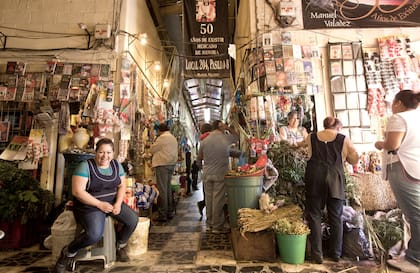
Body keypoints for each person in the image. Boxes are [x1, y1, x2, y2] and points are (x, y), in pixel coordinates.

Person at [55, 138, 138, 273]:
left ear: (113, 153)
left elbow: (122, 185)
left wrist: (117, 203)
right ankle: (68, 252)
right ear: (95, 152)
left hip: (111, 202)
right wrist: (99, 204)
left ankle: (119, 245)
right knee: (94, 234)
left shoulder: (117, 165)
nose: (105, 156)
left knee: (132, 220)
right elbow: (77, 192)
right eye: (101, 152)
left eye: (108, 152)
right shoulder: (85, 166)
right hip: (89, 205)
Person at [374, 90, 420, 273]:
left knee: (414, 215)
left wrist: (380, 144)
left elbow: (393, 145)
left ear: (400, 103)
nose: (392, 106)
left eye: (393, 102)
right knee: (414, 213)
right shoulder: (417, 117)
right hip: (415, 167)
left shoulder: (399, 118)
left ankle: (415, 258)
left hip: (402, 168)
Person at [303, 117, 359, 264]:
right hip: (335, 178)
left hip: (314, 177)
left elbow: (299, 146)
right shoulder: (344, 139)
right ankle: (335, 254)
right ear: (337, 127)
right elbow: (354, 159)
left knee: (315, 215)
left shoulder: (312, 137)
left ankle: (317, 255)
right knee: (336, 216)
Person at [197, 120, 239, 233]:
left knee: (209, 199)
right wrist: (228, 128)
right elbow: (237, 136)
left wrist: (202, 169)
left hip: (207, 173)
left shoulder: (204, 140)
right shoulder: (225, 138)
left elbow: (199, 157)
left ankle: (209, 223)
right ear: (220, 126)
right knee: (218, 199)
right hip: (220, 173)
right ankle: (217, 226)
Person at [149, 123, 178, 222]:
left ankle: (163, 214)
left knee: (162, 190)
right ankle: (170, 211)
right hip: (171, 164)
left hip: (162, 164)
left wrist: (150, 145)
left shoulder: (162, 138)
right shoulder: (173, 138)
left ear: (159, 130)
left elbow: (152, 149)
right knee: (168, 188)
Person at [196, 123, 213, 218]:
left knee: (208, 193)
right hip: (217, 169)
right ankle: (213, 221)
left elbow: (199, 158)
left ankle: (203, 206)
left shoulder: (202, 141)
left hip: (206, 170)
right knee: (215, 196)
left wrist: (201, 168)